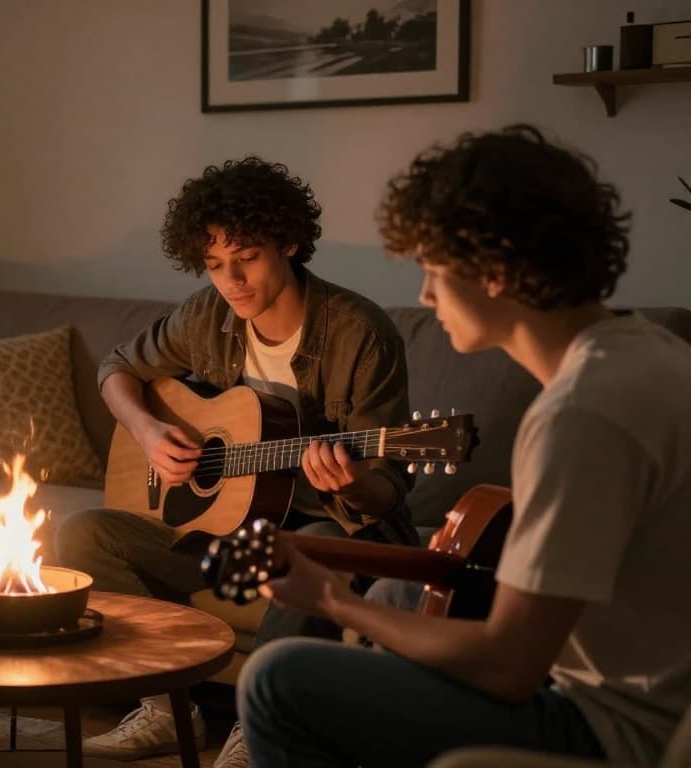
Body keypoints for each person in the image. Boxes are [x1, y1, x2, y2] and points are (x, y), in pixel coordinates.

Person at [237, 124, 691, 767]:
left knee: (276, 681)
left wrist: (331, 600)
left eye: (433, 269)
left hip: (613, 724)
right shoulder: (648, 351)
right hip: (631, 685)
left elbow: (510, 665)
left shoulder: (583, 413)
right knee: (396, 597)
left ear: (496, 270)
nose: (423, 295)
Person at [57, 157, 416, 765]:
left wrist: (353, 482)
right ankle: (165, 708)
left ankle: (257, 728)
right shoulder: (208, 315)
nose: (232, 281)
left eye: (246, 257)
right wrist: (147, 431)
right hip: (222, 534)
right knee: (84, 533)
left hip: (311, 530)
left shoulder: (361, 334)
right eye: (215, 265)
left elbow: (387, 492)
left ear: (290, 242)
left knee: (319, 547)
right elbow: (116, 367)